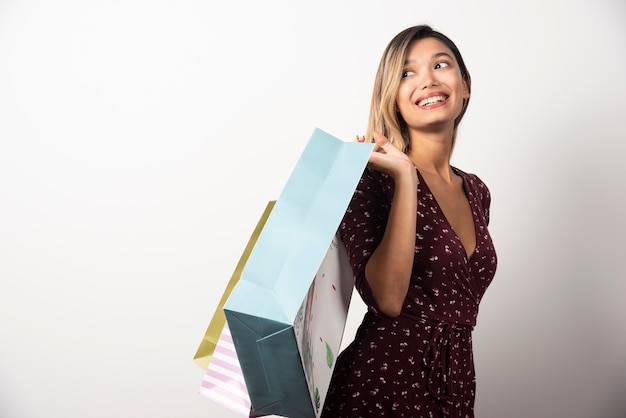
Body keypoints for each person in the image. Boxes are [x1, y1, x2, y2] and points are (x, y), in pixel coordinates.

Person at [321, 25, 498, 417]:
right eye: (406, 72)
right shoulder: (369, 178)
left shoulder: (476, 190)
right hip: (381, 384)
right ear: (393, 98)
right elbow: (387, 299)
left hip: (455, 385)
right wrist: (405, 177)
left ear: (464, 85)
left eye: (441, 64)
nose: (428, 79)